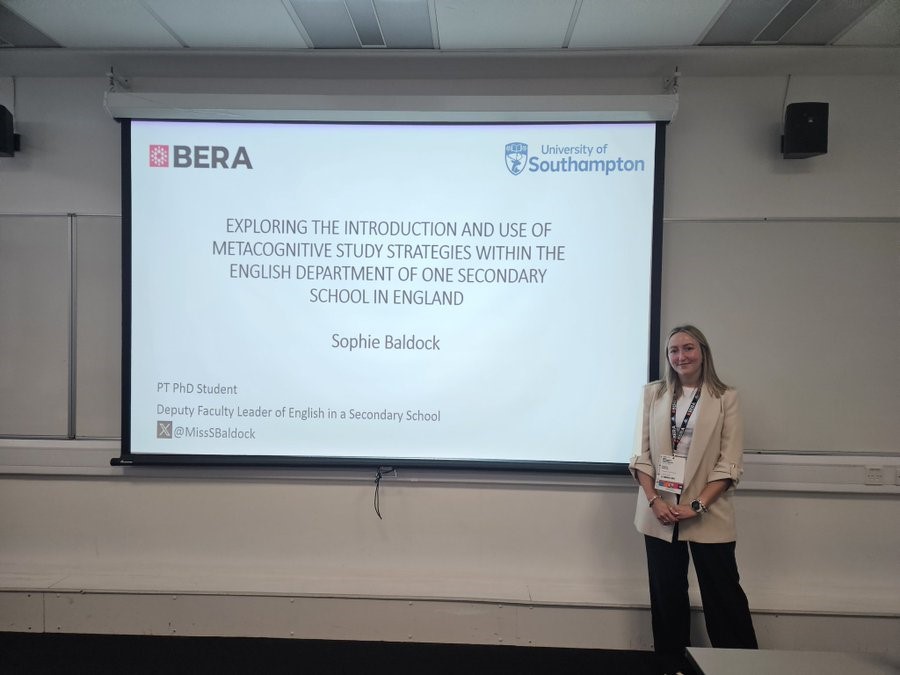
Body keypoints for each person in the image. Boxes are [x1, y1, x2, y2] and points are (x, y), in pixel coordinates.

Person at [629, 325, 757, 675]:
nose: (681, 356)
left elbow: (730, 463)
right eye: (674, 350)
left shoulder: (725, 397)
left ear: (703, 352)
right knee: (667, 597)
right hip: (660, 511)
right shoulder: (653, 395)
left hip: (707, 511)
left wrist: (697, 505)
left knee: (724, 597)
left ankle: (741, 667)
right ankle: (672, 667)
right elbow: (640, 457)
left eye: (688, 349)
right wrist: (655, 501)